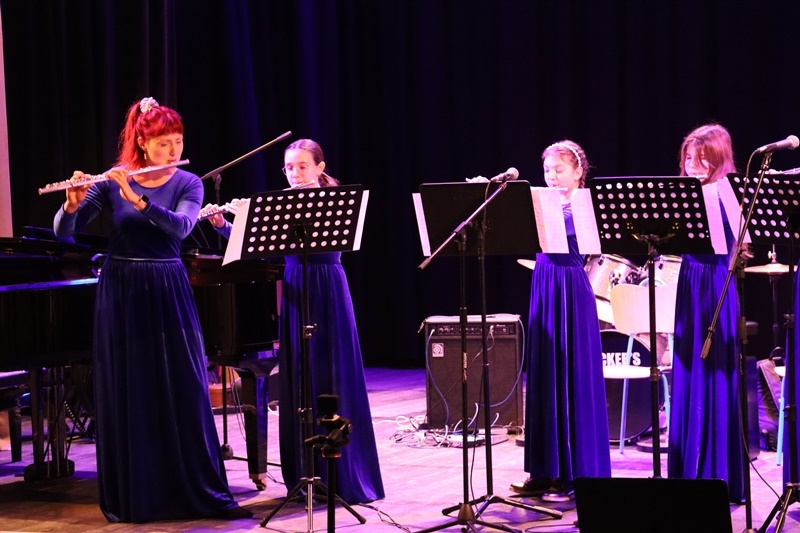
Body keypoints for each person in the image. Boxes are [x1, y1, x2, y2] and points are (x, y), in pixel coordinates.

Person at [53, 97, 252, 523]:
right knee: (130, 386)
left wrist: (139, 199)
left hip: (167, 285)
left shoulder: (189, 183)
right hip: (122, 289)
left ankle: (189, 487)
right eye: (164, 143)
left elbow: (181, 227)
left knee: (180, 384)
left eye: (178, 141)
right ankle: (135, 493)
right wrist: (70, 204)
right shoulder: (112, 181)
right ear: (143, 143)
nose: (173, 150)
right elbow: (65, 234)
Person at [207, 138, 385, 505]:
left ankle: (344, 476)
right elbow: (256, 246)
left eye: (303, 166)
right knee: (300, 377)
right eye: (289, 168)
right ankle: (305, 474)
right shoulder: (279, 206)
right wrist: (226, 224)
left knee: (333, 372)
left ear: (320, 167)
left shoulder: (333, 201)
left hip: (327, 286)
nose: (295, 173)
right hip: (294, 289)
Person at [510, 140, 611, 502]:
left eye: (560, 169)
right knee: (545, 376)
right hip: (544, 284)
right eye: (547, 170)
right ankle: (544, 470)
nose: (552, 176)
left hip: (569, 288)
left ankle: (574, 476)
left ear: (578, 171)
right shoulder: (540, 202)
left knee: (570, 376)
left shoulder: (585, 204)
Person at [667, 123, 746, 503]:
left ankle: (717, 473)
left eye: (702, 159)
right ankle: (687, 472)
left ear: (718, 160)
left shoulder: (727, 189)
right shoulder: (682, 194)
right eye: (688, 158)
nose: (693, 165)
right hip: (689, 281)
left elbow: (741, 242)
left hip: (716, 284)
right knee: (687, 371)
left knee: (713, 374)